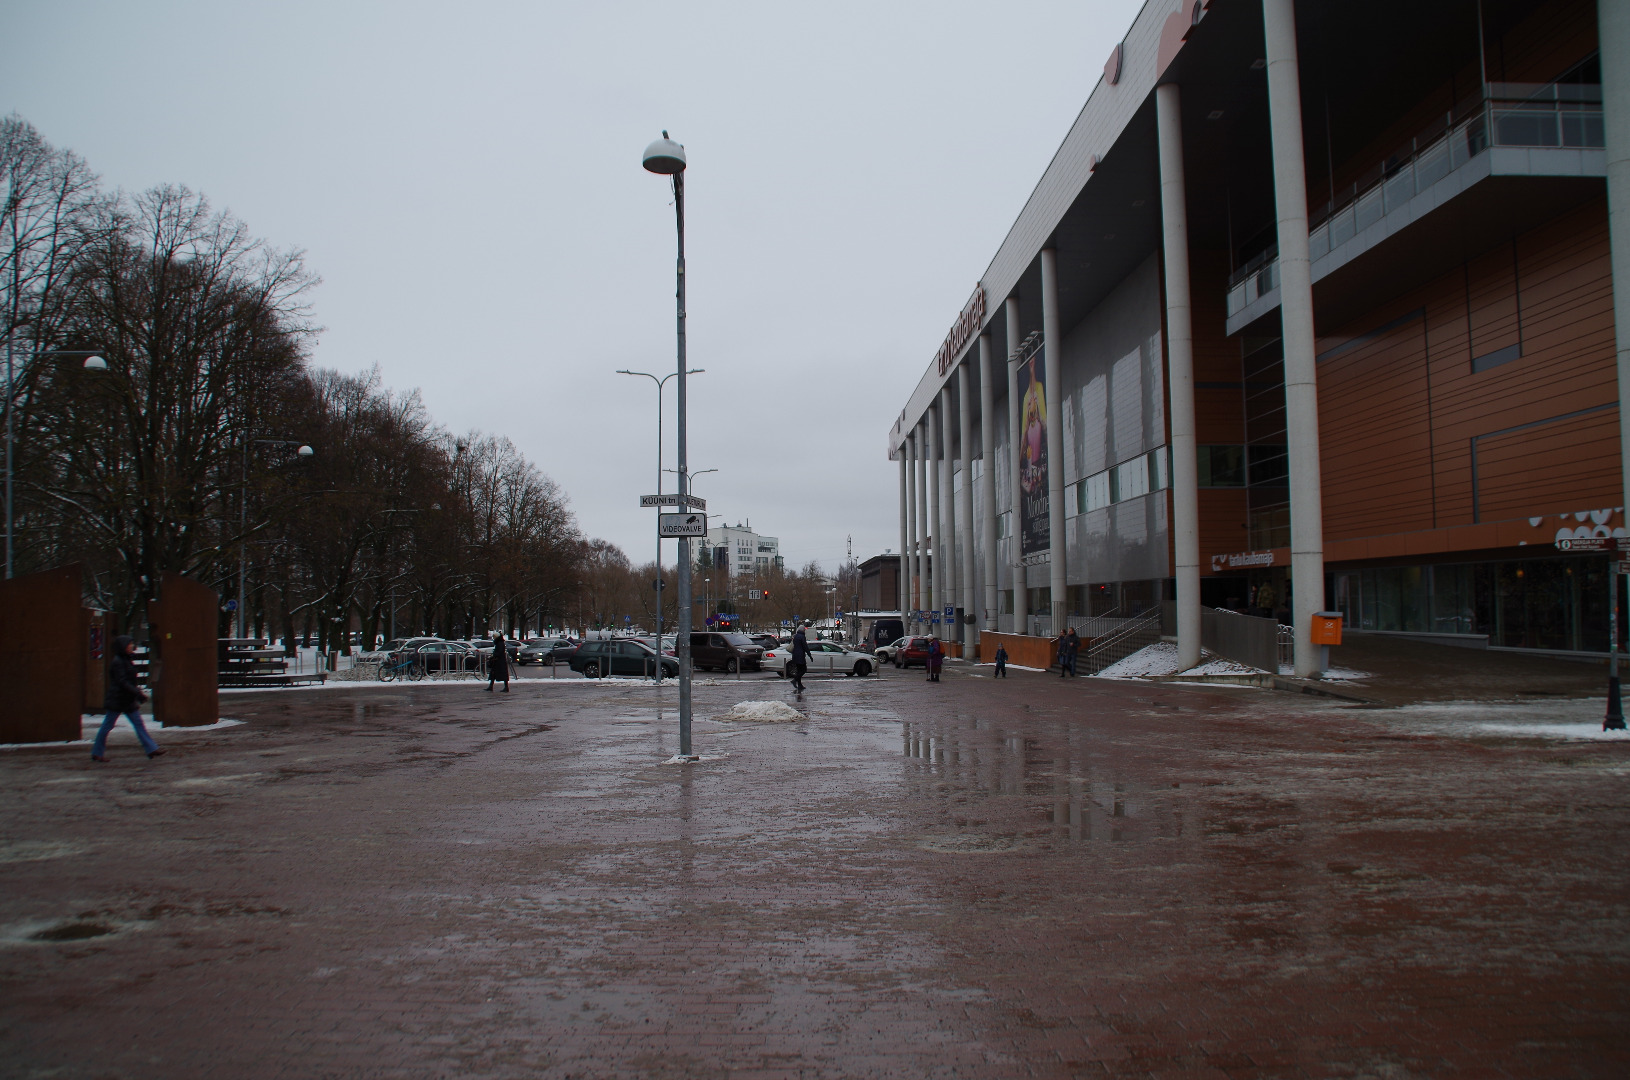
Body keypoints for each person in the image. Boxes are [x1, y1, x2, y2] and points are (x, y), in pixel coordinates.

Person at [92, 636, 163, 762]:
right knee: (108, 726)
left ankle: (151, 748)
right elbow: (122, 682)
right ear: (123, 646)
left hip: (125, 699)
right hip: (118, 699)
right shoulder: (119, 661)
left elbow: (126, 681)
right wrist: (138, 693)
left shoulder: (125, 659)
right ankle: (97, 752)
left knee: (137, 724)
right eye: (129, 644)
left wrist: (136, 693)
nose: (132, 646)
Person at [789, 622, 813, 690]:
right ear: (802, 630)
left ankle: (799, 685)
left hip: (795, 655)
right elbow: (805, 646)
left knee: (799, 670)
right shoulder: (802, 637)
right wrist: (809, 655)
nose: (805, 630)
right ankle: (794, 680)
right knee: (803, 669)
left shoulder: (795, 636)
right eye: (804, 629)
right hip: (800, 655)